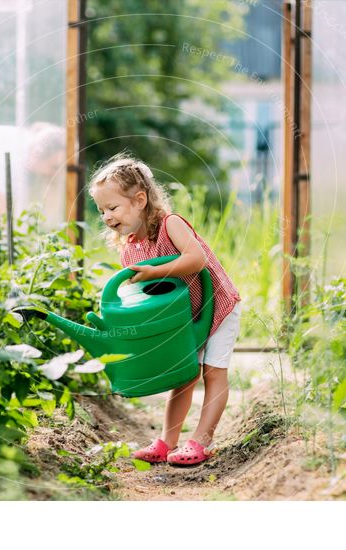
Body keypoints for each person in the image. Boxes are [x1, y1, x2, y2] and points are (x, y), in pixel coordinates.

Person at [89, 152, 242, 466]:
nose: (106, 216)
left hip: (217, 307)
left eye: (113, 207)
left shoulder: (171, 225)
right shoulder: (130, 249)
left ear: (140, 200)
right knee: (182, 377)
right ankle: (166, 441)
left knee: (213, 373)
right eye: (102, 210)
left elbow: (195, 260)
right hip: (185, 319)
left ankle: (201, 440)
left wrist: (157, 271)